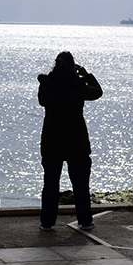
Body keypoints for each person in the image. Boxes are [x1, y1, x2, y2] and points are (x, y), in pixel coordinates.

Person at [37, 51, 103, 231]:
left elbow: (42, 102)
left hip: (52, 140)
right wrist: (87, 75)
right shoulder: (79, 86)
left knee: (50, 184)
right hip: (77, 141)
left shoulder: (47, 85)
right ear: (73, 66)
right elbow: (98, 92)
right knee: (81, 184)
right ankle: (85, 221)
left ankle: (47, 222)